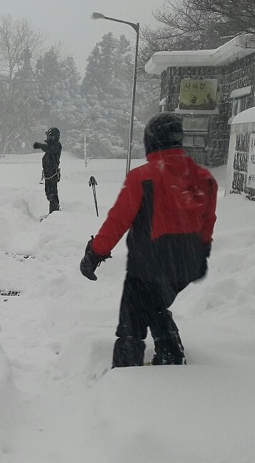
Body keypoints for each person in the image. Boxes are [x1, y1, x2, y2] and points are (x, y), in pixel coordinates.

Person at [79, 112, 217, 368]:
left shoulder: (142, 177)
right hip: (187, 264)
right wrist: (203, 251)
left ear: (151, 141)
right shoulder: (204, 177)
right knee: (155, 304)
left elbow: (118, 221)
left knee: (132, 320)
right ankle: (170, 353)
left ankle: (126, 372)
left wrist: (94, 253)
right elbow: (208, 220)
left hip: (148, 266)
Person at [33, 127, 63, 213]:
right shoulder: (51, 146)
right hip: (48, 173)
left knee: (53, 194)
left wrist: (40, 145)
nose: (48, 138)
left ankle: (54, 211)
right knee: (48, 193)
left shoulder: (57, 145)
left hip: (52, 173)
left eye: (49, 136)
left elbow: (50, 149)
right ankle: (53, 212)